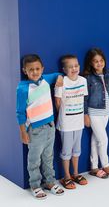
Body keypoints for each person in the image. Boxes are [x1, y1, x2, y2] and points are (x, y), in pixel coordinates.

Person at [16, 54, 64, 200]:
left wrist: (60, 78)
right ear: (25, 71)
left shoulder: (45, 79)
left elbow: (59, 74)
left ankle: (49, 182)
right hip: (35, 130)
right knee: (34, 159)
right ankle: (35, 185)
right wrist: (23, 132)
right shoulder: (23, 88)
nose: (35, 72)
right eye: (31, 70)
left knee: (48, 157)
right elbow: (20, 113)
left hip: (50, 126)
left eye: (37, 69)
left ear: (42, 69)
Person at [83, 48, 109, 178]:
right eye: (95, 61)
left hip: (106, 112)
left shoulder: (108, 76)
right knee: (103, 139)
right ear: (91, 63)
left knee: (95, 139)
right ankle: (106, 166)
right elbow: (84, 98)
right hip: (93, 112)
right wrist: (85, 115)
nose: (99, 63)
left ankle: (94, 167)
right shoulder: (88, 78)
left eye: (101, 61)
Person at [54, 55, 88, 189]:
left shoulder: (83, 80)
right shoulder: (62, 82)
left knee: (77, 150)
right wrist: (64, 116)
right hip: (66, 123)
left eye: (76, 65)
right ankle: (66, 176)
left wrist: (84, 116)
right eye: (70, 67)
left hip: (78, 122)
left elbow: (83, 99)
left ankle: (75, 173)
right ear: (64, 69)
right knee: (66, 150)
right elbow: (57, 102)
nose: (74, 68)